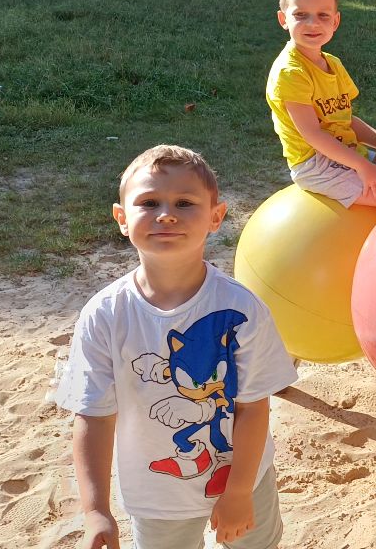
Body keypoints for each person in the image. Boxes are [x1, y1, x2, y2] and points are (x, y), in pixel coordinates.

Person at [55, 145, 299, 549]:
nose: (166, 214)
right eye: (149, 202)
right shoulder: (105, 315)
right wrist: (95, 510)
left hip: (242, 477)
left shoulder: (242, 309)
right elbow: (93, 415)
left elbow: (252, 408)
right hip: (156, 494)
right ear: (121, 218)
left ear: (215, 217)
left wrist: (238, 491)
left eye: (184, 203)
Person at [267, 0, 376, 210]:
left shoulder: (334, 64)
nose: (313, 23)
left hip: (348, 152)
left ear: (335, 21)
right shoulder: (290, 72)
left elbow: (346, 120)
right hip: (315, 164)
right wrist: (363, 166)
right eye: (300, 14)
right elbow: (313, 135)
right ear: (283, 20)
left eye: (323, 15)